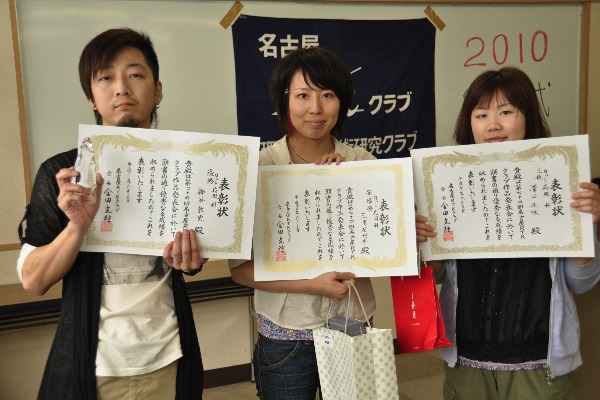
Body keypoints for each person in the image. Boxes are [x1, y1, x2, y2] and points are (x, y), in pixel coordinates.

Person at [17, 28, 204, 399]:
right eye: (105, 78)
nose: (121, 88)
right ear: (91, 97)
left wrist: (192, 259)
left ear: (158, 90)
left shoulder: (189, 168)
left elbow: (198, 254)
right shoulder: (62, 174)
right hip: (94, 364)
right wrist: (77, 227)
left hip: (169, 356)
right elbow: (34, 281)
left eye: (135, 74)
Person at [416, 66, 600, 399]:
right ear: (469, 123)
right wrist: (422, 242)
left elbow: (580, 282)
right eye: (481, 114)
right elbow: (438, 275)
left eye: (505, 112)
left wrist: (587, 226)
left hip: (538, 361)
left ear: (527, 115)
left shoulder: (559, 178)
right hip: (466, 356)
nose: (493, 125)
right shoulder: (447, 181)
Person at [229, 46, 377, 400]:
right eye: (303, 95)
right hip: (286, 333)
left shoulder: (365, 165)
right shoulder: (259, 169)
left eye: (327, 95)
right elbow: (239, 270)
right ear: (284, 101)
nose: (315, 108)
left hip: (352, 321)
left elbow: (388, 250)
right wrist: (312, 285)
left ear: (342, 102)